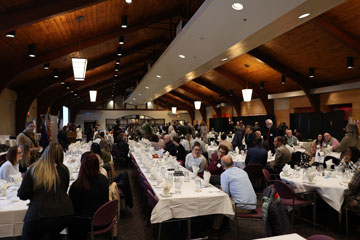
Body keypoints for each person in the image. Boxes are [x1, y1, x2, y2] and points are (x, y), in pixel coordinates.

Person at [18, 143, 74, 240]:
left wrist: (36, 194)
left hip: (41, 213)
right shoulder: (64, 170)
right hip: (64, 213)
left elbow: (22, 194)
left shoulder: (34, 169)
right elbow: (63, 190)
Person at [68, 152, 109, 240]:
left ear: (82, 166)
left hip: (87, 222)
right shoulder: (104, 179)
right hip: (105, 219)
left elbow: (72, 208)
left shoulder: (78, 186)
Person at [212, 155, 257, 232]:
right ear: (233, 163)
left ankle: (215, 229)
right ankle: (222, 225)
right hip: (254, 203)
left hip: (244, 207)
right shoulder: (243, 171)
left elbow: (225, 194)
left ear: (222, 166)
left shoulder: (225, 175)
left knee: (221, 202)